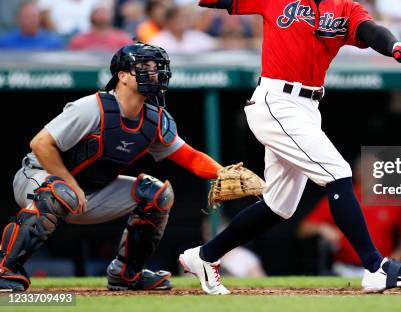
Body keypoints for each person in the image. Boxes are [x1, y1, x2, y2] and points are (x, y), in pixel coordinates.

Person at [152, 0, 401, 294]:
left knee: (279, 205)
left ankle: (205, 255)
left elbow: (369, 30)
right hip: (276, 100)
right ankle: (376, 266)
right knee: (338, 172)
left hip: (308, 106)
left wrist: (394, 46)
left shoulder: (345, 6)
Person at [0, 43, 242, 292]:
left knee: (157, 194)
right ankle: (5, 269)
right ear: (123, 76)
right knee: (60, 192)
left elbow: (190, 158)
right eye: (145, 67)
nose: (154, 73)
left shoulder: (155, 118)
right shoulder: (92, 107)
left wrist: (223, 173)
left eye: (156, 68)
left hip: (88, 193)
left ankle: (127, 275)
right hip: (37, 178)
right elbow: (41, 144)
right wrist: (68, 181)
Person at [297, 158, 401, 277]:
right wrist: (323, 228)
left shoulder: (392, 202)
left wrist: (396, 259)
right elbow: (303, 228)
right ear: (357, 172)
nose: (371, 174)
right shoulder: (342, 197)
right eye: (367, 170)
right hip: (345, 269)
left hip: (382, 269)